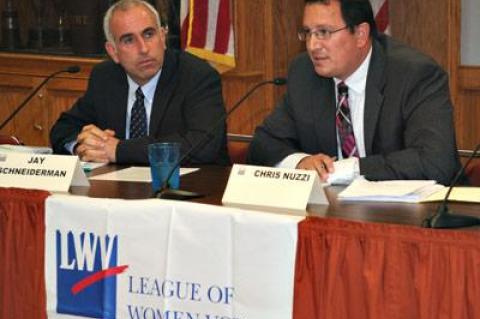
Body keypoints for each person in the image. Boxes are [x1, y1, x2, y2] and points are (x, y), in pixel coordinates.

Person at [247, 0, 461, 185]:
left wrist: (347, 170)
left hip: (418, 219)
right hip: (336, 214)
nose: (312, 46)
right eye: (307, 33)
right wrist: (301, 163)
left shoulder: (414, 75)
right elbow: (264, 144)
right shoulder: (304, 73)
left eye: (324, 32)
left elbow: (435, 162)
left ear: (360, 34)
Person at [50, 0, 229, 165]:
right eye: (129, 40)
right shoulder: (105, 77)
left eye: (149, 34)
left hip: (188, 191)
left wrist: (119, 150)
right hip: (118, 190)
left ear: (163, 37)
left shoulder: (197, 77)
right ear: (113, 51)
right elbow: (63, 129)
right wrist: (83, 146)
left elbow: (202, 147)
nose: (143, 49)